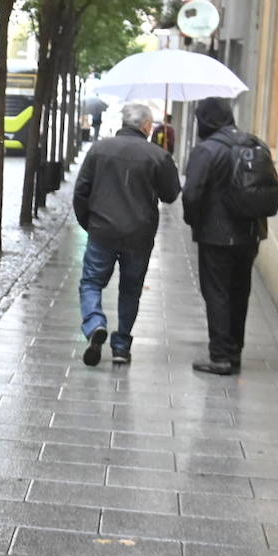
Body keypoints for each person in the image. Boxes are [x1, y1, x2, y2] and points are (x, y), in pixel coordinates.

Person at [73, 102, 181, 366]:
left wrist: (89, 223)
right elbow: (171, 195)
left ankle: (95, 323)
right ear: (146, 126)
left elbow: (81, 191)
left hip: (102, 231)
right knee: (130, 289)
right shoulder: (156, 155)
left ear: (124, 122)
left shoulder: (99, 149)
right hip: (139, 234)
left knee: (91, 283)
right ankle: (121, 346)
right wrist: (166, 162)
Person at [183, 97, 265, 375]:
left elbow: (192, 194)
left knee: (217, 292)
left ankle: (219, 356)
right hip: (250, 234)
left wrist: (194, 221)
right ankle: (234, 351)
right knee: (240, 291)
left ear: (205, 121)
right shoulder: (253, 143)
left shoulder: (206, 150)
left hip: (216, 236)